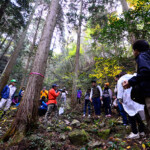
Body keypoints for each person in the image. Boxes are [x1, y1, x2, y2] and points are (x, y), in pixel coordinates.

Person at [123, 40, 150, 131]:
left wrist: (130, 82)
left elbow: (145, 72)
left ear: (136, 50)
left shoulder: (142, 56)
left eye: (133, 51)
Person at [118, 73, 145, 139]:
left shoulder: (121, 79)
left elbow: (120, 90)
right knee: (136, 113)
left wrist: (120, 99)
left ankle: (135, 133)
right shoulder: (133, 76)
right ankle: (141, 131)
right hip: (136, 98)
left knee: (131, 115)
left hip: (128, 100)